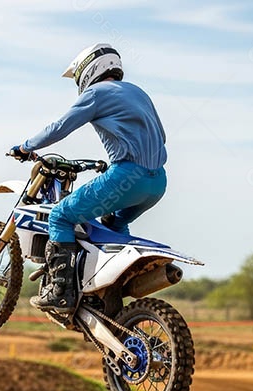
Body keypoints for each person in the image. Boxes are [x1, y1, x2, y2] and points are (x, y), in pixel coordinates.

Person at [10, 43, 167, 314]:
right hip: (157, 183)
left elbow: (59, 128)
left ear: (88, 69)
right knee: (113, 224)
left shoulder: (97, 93)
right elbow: (161, 136)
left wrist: (26, 147)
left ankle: (61, 292)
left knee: (60, 216)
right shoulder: (138, 92)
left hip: (126, 175)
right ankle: (109, 290)